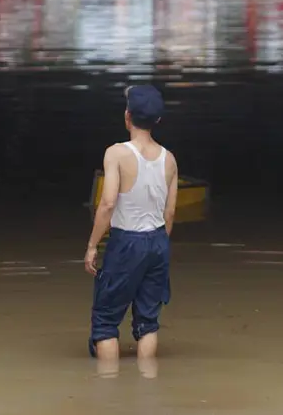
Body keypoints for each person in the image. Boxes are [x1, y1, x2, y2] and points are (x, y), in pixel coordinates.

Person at [86, 85, 179, 363]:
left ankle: (109, 389)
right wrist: (158, 243)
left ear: (127, 117)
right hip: (159, 241)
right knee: (148, 321)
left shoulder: (116, 153)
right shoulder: (170, 159)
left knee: (105, 321)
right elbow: (170, 212)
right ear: (158, 121)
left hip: (126, 242)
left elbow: (108, 203)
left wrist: (92, 246)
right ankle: (147, 384)